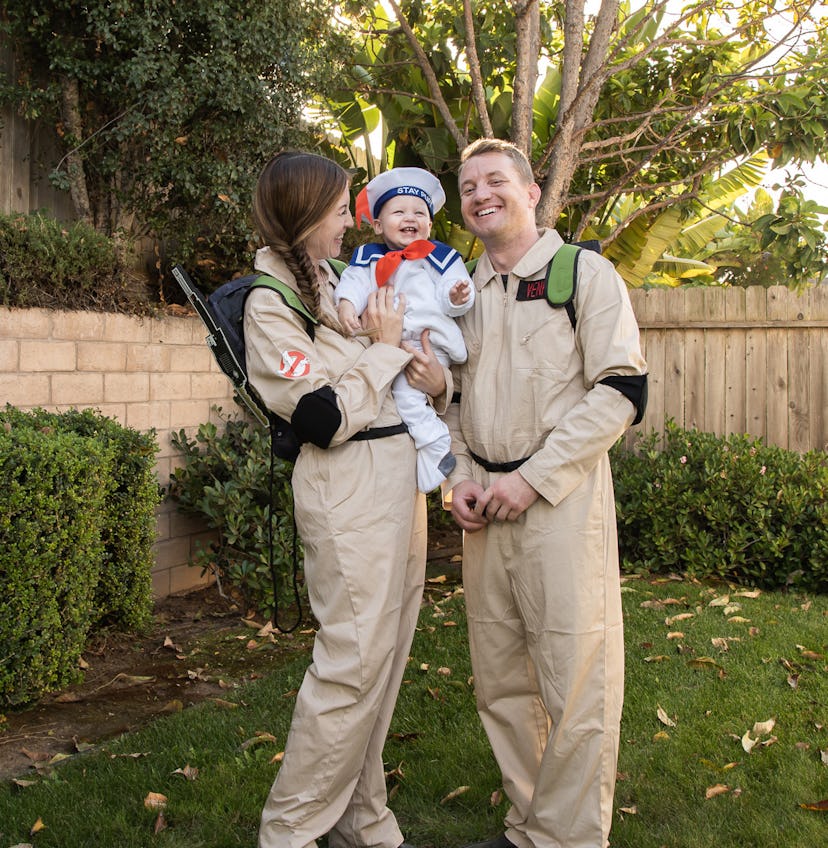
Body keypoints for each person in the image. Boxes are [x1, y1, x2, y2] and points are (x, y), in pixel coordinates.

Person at [445, 138, 648, 848]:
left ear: (532, 193)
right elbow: (448, 399)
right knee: (500, 680)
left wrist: (533, 478)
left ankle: (567, 839)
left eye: (496, 181)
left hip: (558, 501)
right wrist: (459, 479)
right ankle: (527, 825)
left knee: (574, 677)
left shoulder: (581, 274)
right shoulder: (459, 293)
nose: (481, 195)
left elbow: (622, 389)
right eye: (468, 186)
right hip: (484, 508)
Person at [244, 150, 445, 848]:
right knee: (352, 661)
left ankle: (360, 815)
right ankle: (292, 831)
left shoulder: (330, 280)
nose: (348, 221)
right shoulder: (271, 304)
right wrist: (386, 350)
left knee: (385, 656)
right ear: (304, 217)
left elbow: (373, 372)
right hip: (347, 485)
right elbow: (321, 417)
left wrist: (417, 367)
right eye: (338, 210)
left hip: (395, 475)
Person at [335, 167, 475, 493]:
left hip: (429, 342)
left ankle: (436, 443)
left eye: (419, 212)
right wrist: (345, 304)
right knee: (400, 398)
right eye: (399, 211)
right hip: (389, 344)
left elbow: (456, 287)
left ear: (428, 224)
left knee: (407, 396)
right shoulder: (368, 257)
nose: (409, 217)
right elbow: (354, 283)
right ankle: (431, 447)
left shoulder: (439, 255)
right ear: (378, 224)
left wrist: (456, 296)